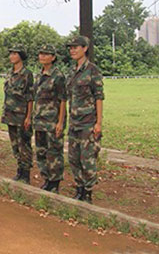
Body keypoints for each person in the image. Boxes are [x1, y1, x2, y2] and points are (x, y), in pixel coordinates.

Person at [65, 36, 104, 204]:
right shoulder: (72, 72)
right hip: (74, 122)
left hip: (88, 122)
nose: (72, 50)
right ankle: (79, 188)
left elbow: (99, 97)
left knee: (87, 158)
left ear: (85, 48)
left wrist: (98, 123)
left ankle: (88, 192)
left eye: (76, 47)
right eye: (71, 48)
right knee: (73, 158)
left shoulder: (92, 71)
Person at [32, 44, 66, 193]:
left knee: (54, 152)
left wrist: (60, 122)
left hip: (52, 121)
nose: (43, 57)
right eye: (41, 54)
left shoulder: (58, 76)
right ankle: (46, 179)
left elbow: (63, 100)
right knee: (41, 151)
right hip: (40, 120)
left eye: (46, 54)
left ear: (53, 57)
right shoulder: (39, 75)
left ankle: (55, 182)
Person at [1, 45, 34, 183]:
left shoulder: (27, 74)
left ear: (20, 56)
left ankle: (26, 173)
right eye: (10, 54)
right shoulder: (10, 73)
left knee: (24, 145)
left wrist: (28, 116)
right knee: (15, 145)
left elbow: (30, 97)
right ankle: (19, 170)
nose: (11, 56)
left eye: (14, 54)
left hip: (21, 115)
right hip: (10, 115)